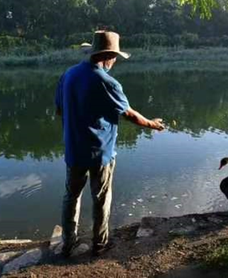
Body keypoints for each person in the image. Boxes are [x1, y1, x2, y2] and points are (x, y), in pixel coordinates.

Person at [55, 31, 165, 257]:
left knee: (71, 196)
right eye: (114, 57)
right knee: (101, 198)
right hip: (100, 153)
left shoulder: (68, 75)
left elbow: (59, 109)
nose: (115, 62)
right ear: (107, 56)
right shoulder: (107, 82)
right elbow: (130, 115)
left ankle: (67, 243)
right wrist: (153, 124)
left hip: (74, 149)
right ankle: (100, 244)